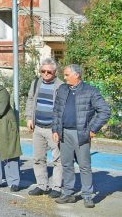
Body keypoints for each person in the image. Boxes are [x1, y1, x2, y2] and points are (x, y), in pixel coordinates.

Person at [52, 64, 110, 208]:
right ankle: (68, 194)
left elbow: (105, 111)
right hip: (64, 133)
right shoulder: (62, 89)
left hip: (81, 134)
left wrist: (93, 130)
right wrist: (55, 130)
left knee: (84, 166)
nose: (64, 78)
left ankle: (87, 196)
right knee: (66, 164)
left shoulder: (90, 91)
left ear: (76, 75)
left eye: (66, 75)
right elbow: (56, 111)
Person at [25, 58, 64, 198]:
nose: (46, 74)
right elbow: (30, 100)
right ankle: (42, 185)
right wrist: (29, 118)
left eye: (49, 71)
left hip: (53, 129)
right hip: (38, 127)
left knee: (58, 160)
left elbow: (62, 109)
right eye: (43, 71)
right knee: (38, 158)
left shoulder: (61, 86)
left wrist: (58, 128)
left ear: (55, 72)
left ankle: (57, 187)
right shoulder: (35, 83)